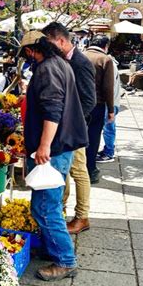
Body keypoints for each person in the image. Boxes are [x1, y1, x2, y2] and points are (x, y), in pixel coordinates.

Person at [22, 32, 88, 281]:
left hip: (55, 149)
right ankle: (53, 247)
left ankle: (65, 260)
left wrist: (44, 146)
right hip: (60, 146)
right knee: (43, 205)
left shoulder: (48, 68)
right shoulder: (60, 63)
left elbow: (53, 110)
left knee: (47, 207)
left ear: (32, 50)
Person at [42, 22, 96, 235]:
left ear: (61, 41)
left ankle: (82, 216)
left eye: (50, 42)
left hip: (75, 129)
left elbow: (89, 100)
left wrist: (70, 123)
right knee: (63, 172)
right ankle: (60, 210)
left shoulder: (80, 62)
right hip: (65, 127)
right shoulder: (63, 60)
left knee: (78, 171)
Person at [84, 35, 115, 184]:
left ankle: (78, 168)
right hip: (97, 104)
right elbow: (108, 87)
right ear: (105, 46)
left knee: (79, 136)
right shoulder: (105, 59)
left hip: (79, 104)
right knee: (93, 137)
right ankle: (90, 169)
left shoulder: (81, 55)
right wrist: (111, 109)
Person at [98, 52, 122, 163]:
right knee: (108, 128)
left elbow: (109, 87)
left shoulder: (109, 63)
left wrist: (111, 108)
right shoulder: (110, 62)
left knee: (108, 128)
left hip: (110, 102)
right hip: (113, 101)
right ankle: (108, 150)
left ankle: (109, 153)